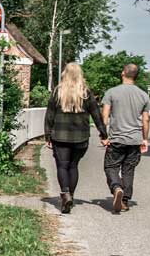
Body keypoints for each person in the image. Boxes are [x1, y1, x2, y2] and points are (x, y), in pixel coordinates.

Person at [43, 62, 109, 214]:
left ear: (64, 74)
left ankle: (65, 193)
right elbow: (96, 114)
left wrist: (47, 135)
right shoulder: (85, 93)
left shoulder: (57, 92)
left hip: (60, 136)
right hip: (81, 137)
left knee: (62, 166)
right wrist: (103, 134)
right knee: (73, 166)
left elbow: (50, 115)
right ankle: (70, 195)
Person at [101, 63, 150, 214]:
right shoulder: (143, 95)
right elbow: (146, 119)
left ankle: (116, 187)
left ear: (123, 73)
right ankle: (124, 200)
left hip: (116, 139)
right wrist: (145, 139)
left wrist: (104, 135)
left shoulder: (112, 92)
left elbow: (105, 115)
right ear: (136, 76)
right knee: (128, 170)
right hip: (134, 139)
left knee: (111, 167)